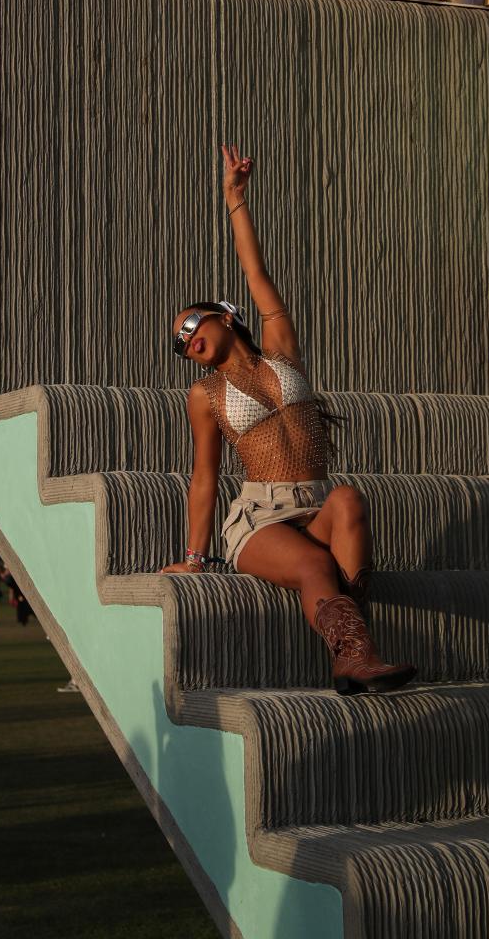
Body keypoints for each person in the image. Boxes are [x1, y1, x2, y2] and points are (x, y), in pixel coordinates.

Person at [164, 145, 416, 696]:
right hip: (260, 517)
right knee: (312, 568)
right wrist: (193, 557)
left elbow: (256, 270)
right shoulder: (204, 394)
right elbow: (204, 476)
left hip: (314, 504)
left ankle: (356, 654)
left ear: (225, 315)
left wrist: (236, 200)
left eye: (193, 324)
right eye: (181, 343)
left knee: (348, 498)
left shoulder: (280, 348)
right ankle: (355, 656)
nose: (188, 340)